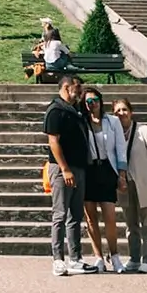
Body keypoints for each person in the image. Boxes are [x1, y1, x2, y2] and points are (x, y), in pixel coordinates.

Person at [43, 74, 98, 276]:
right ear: (66, 88)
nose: (80, 91)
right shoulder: (56, 111)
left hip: (79, 167)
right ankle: (58, 259)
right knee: (60, 214)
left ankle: (75, 258)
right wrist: (64, 168)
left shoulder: (75, 110)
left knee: (75, 215)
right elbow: (53, 142)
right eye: (78, 88)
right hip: (62, 169)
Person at [113, 96, 147, 273]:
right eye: (117, 111)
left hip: (144, 183)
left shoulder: (144, 131)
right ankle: (134, 258)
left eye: (124, 110)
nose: (121, 114)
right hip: (125, 184)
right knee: (131, 223)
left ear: (131, 112)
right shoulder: (114, 133)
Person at [82, 87, 128, 273]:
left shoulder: (112, 121)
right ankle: (98, 256)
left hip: (107, 168)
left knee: (110, 215)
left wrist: (122, 174)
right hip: (88, 170)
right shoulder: (82, 121)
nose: (92, 105)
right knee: (91, 218)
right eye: (88, 102)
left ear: (101, 102)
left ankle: (115, 255)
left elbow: (120, 147)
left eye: (95, 101)